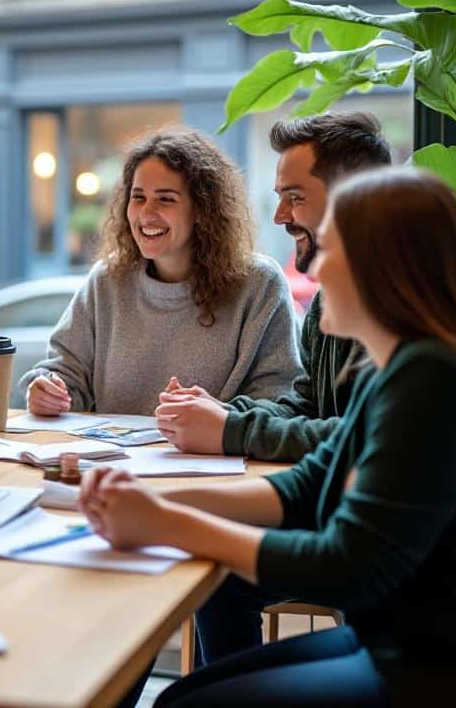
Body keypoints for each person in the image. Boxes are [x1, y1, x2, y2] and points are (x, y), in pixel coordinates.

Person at [81, 168, 456, 707]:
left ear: (384, 269)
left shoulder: (436, 379)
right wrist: (156, 500)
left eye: (329, 250)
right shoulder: (397, 366)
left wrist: (167, 523)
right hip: (424, 636)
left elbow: (350, 566)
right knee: (187, 696)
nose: (314, 267)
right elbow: (307, 485)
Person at [153, 112, 390, 464]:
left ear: (353, 199)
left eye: (295, 198)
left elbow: (366, 435)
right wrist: (224, 413)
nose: (279, 216)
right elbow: (306, 407)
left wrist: (232, 430)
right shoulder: (330, 299)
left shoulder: (401, 306)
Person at [20, 125, 301, 417]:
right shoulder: (106, 282)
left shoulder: (259, 285)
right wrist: (48, 389)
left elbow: (282, 399)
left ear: (202, 210)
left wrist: (222, 416)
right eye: (138, 197)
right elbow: (64, 373)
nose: (146, 213)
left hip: (216, 459)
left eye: (165, 199)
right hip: (112, 462)